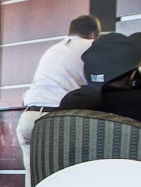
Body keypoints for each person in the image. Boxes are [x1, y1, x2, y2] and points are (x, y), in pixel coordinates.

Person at [16, 15, 99, 163]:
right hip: (56, 120)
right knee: (64, 173)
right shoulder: (92, 48)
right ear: (94, 33)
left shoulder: (53, 49)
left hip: (28, 118)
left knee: (35, 176)